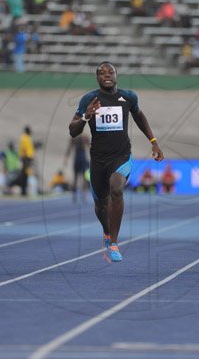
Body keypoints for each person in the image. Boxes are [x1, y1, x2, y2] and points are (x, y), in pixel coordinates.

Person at [69, 62, 164, 262]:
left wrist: (154, 142)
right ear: (97, 78)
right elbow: (72, 130)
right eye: (101, 73)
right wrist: (86, 116)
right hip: (97, 159)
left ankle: (113, 242)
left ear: (116, 75)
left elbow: (139, 116)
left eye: (110, 72)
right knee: (100, 206)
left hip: (121, 156)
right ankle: (106, 232)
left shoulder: (128, 97)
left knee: (117, 189)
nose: (106, 75)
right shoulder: (89, 99)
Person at [64, 134, 90, 203]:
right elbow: (90, 148)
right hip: (83, 159)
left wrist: (66, 159)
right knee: (84, 178)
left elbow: (69, 149)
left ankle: (74, 196)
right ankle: (84, 195)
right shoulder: (85, 137)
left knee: (75, 178)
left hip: (76, 159)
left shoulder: (74, 138)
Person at [17, 125, 35, 196]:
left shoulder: (27, 137)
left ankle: (24, 190)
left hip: (27, 158)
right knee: (24, 175)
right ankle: (23, 190)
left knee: (26, 174)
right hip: (26, 158)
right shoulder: (25, 138)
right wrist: (25, 158)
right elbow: (24, 149)